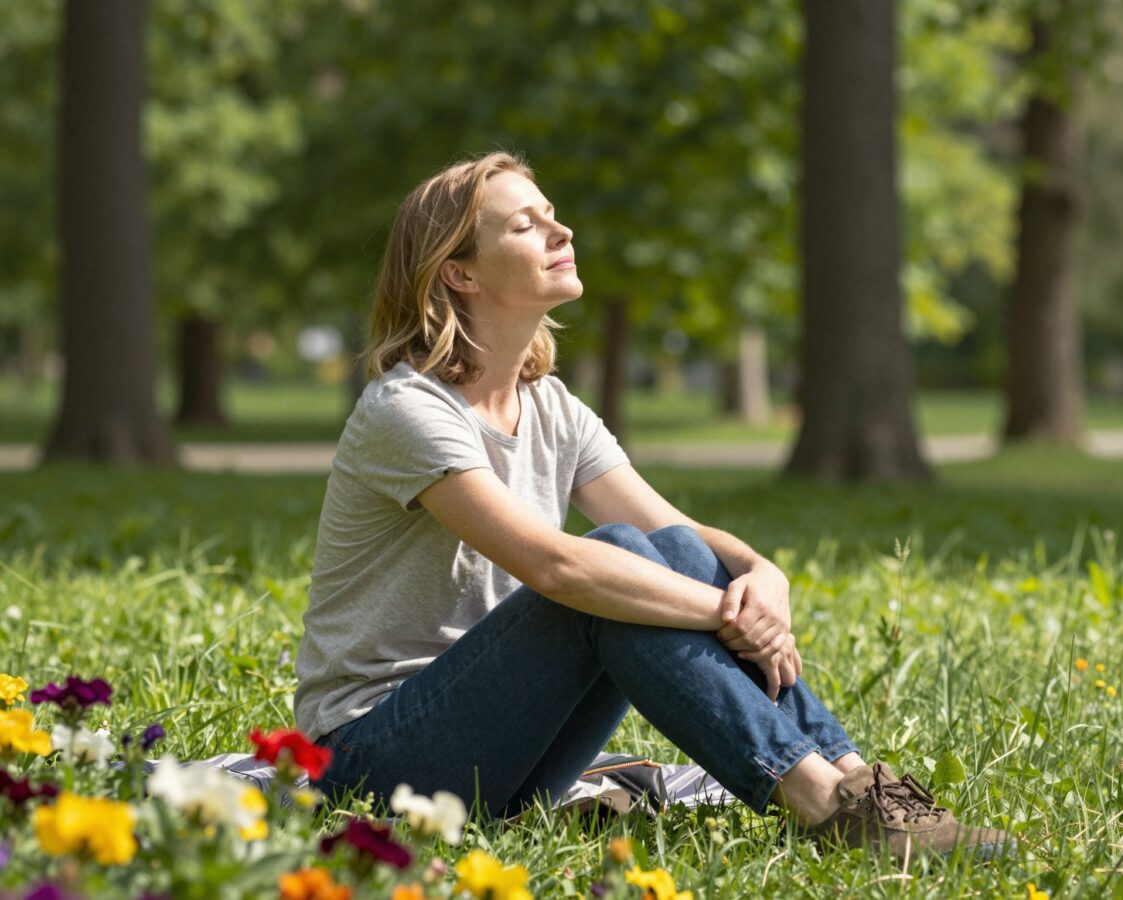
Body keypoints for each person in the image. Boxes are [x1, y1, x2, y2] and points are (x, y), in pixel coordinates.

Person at [294, 152, 1010, 862]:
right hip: (370, 763)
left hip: (506, 759)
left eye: (553, 216)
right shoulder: (406, 409)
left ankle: (856, 787)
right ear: (460, 272)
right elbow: (557, 567)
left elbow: (677, 533)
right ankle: (824, 804)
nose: (562, 232)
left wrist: (762, 575)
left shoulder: (551, 407)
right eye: (525, 225)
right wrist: (725, 614)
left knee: (673, 556)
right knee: (608, 569)